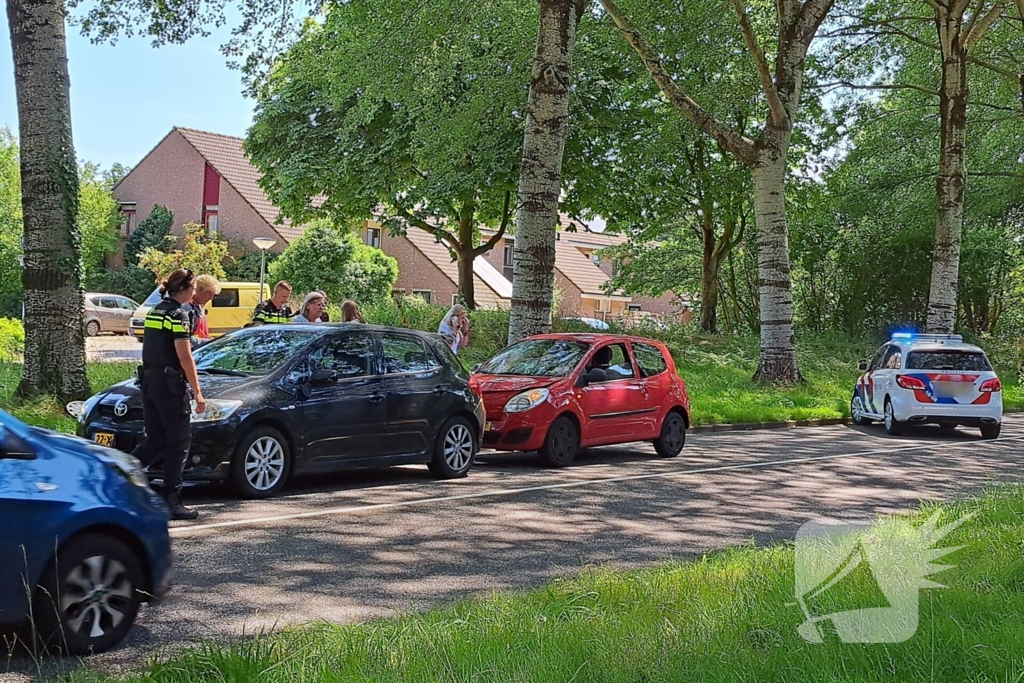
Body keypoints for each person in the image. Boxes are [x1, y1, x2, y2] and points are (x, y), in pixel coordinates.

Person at [133, 269, 206, 521]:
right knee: (178, 442)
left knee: (156, 440)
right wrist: (198, 392)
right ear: (183, 289)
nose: (194, 293)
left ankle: (118, 474)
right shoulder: (178, 315)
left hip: (150, 382)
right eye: (193, 288)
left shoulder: (155, 311)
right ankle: (172, 500)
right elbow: (184, 356)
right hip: (170, 386)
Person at [184, 274, 220, 347]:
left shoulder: (198, 306)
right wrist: (208, 342)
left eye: (213, 295)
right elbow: (184, 339)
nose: (211, 298)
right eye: (210, 293)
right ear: (200, 289)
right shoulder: (187, 308)